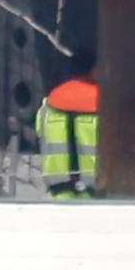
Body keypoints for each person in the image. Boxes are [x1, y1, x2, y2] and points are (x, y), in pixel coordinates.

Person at [36, 52, 98, 199]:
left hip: (58, 193)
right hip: (98, 196)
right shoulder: (106, 106)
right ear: (95, 70)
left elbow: (39, 132)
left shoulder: (47, 106)